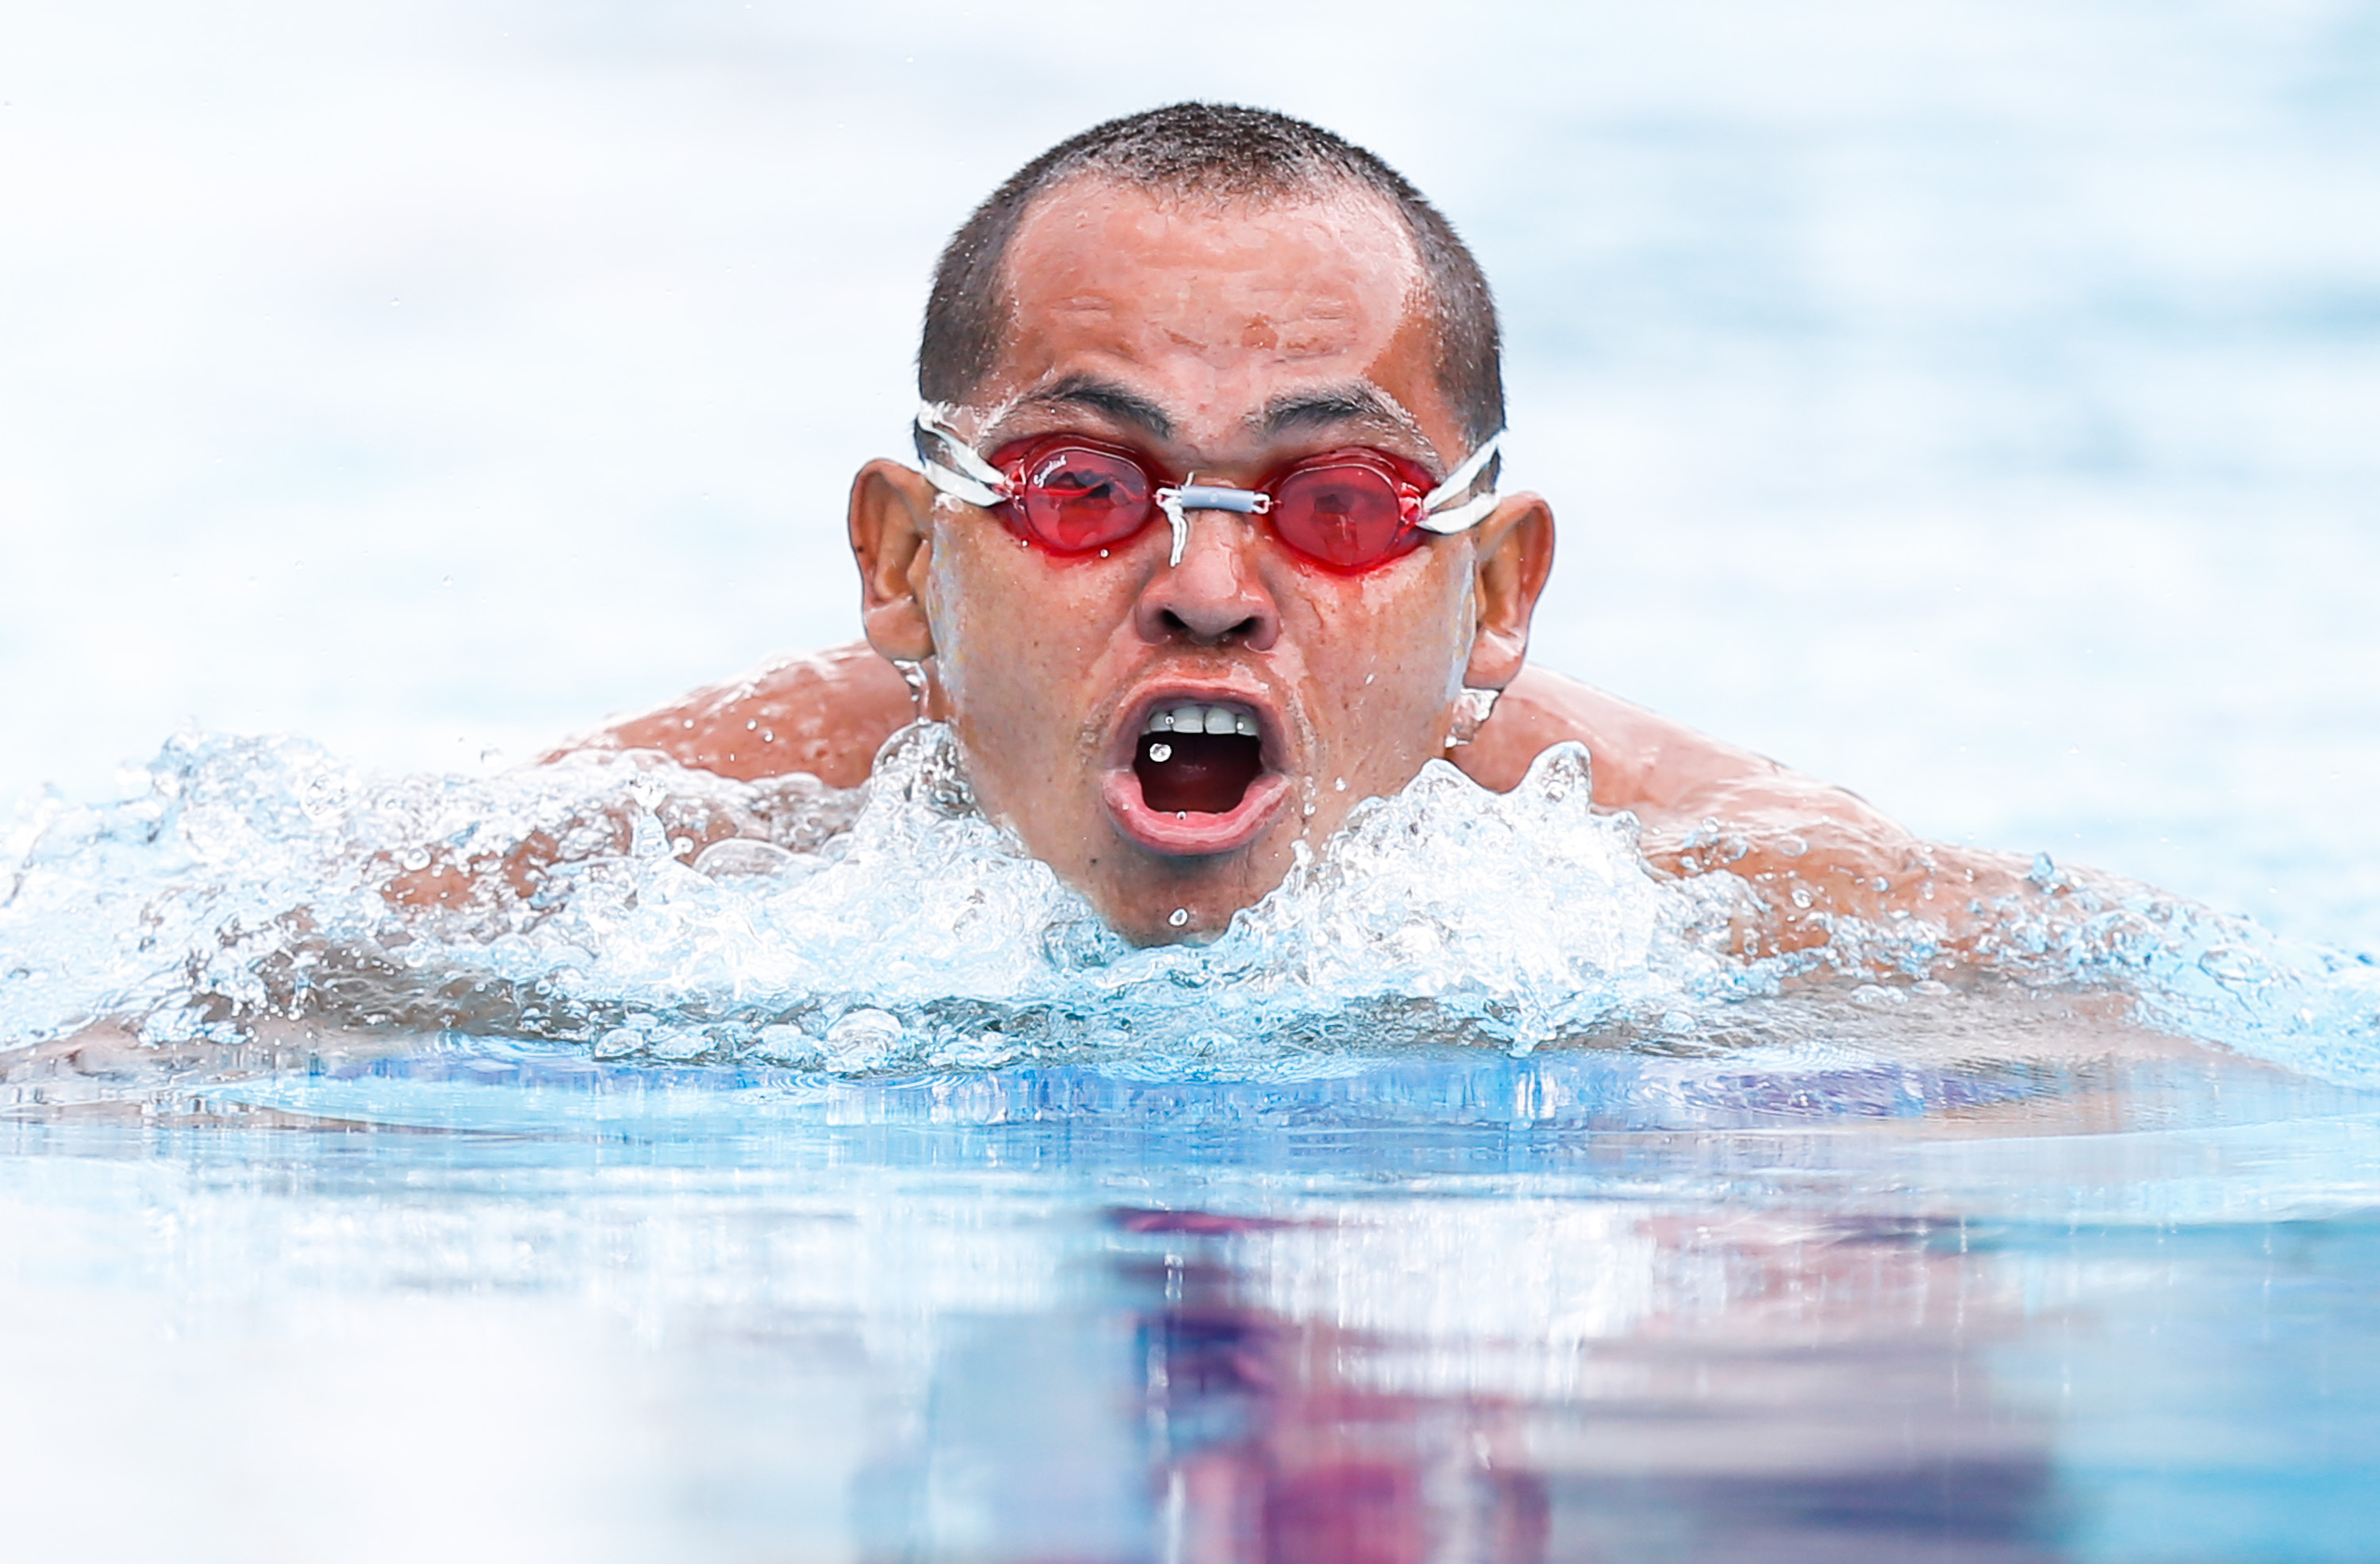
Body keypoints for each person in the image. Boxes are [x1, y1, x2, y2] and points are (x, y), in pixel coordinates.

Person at [551, 103, 2032, 951]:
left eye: (1340, 505)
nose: (1207, 589)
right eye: (1085, 488)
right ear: (903, 560)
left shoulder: (1739, 893)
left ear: (1497, 595)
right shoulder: (642, 861)